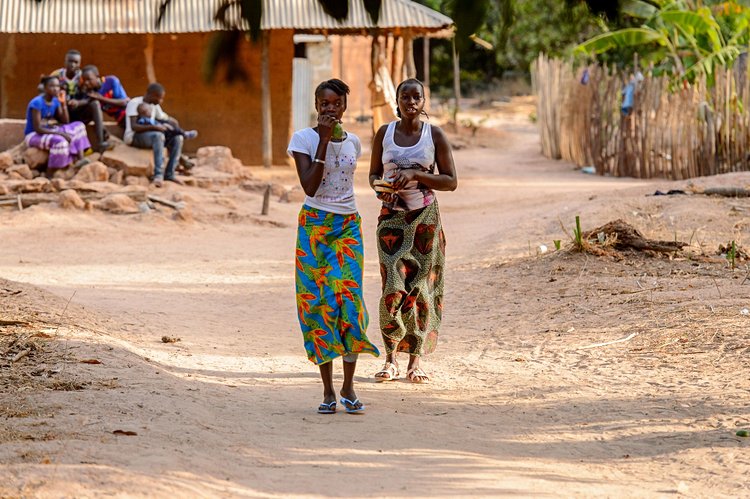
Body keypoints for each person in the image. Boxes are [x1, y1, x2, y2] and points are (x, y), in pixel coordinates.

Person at [288, 79, 379, 414]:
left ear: (344, 106)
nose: (330, 109)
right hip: (314, 228)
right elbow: (310, 186)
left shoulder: (355, 141)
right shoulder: (303, 139)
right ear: (316, 105)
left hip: (347, 227)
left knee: (349, 301)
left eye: (336, 103)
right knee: (318, 305)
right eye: (324, 103)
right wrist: (323, 141)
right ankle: (327, 391)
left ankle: (349, 387)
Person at [368, 78, 457, 384]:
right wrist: (383, 191)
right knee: (392, 287)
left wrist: (418, 175)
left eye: (416, 96)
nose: (410, 102)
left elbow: (451, 181)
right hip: (391, 220)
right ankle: (390, 358)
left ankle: (414, 362)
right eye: (405, 97)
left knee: (420, 290)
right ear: (397, 101)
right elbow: (373, 176)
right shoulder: (385, 133)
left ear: (423, 101)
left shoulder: (434, 135)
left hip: (425, 221)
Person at [124, 83, 191, 187]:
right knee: (158, 136)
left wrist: (174, 125)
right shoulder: (134, 103)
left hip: (151, 136)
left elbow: (165, 118)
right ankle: (158, 175)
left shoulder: (154, 106)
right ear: (152, 95)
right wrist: (155, 127)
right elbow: (134, 126)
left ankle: (170, 174)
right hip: (134, 137)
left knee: (178, 138)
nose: (161, 101)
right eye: (159, 98)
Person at [24, 75, 91, 170]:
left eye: (57, 86)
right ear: (45, 88)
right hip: (34, 135)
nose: (56, 89)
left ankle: (80, 159)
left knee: (79, 126)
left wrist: (63, 104)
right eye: (52, 86)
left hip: (49, 130)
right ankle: (54, 170)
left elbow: (65, 121)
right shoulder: (37, 103)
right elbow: (37, 128)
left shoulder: (55, 101)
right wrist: (61, 134)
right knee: (61, 141)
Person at [49, 51, 110, 153]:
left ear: (80, 63)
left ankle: (101, 143)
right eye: (70, 61)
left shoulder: (83, 77)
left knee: (95, 104)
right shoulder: (56, 75)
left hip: (78, 112)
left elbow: (90, 96)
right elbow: (45, 91)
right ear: (65, 61)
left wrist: (78, 103)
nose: (73, 65)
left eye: (76, 62)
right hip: (61, 112)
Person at [78, 65, 130, 132]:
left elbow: (124, 103)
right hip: (121, 120)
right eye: (84, 80)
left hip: (130, 114)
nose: (86, 83)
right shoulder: (91, 93)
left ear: (97, 76)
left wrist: (101, 98)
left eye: (89, 79)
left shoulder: (111, 81)